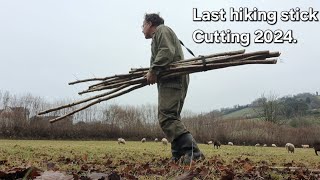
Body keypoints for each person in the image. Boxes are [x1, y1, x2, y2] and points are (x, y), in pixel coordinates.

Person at [142, 13, 204, 164]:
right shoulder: (159, 35)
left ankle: (194, 153)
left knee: (167, 117)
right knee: (169, 117)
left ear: (150, 23)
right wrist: (152, 70)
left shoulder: (162, 30)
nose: (141, 29)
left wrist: (153, 70)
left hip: (173, 80)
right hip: (170, 81)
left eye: (142, 25)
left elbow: (166, 52)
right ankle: (178, 156)